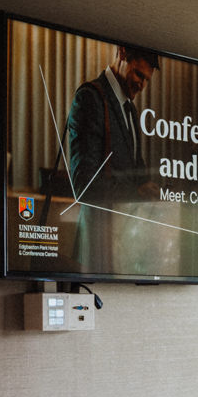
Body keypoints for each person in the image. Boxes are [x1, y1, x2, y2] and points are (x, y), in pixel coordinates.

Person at [65, 44, 161, 271]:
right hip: (97, 247)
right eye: (138, 74)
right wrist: (136, 193)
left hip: (123, 248)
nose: (142, 85)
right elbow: (83, 186)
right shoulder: (90, 98)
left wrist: (150, 187)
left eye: (147, 80)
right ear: (122, 54)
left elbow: (136, 172)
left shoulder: (130, 110)